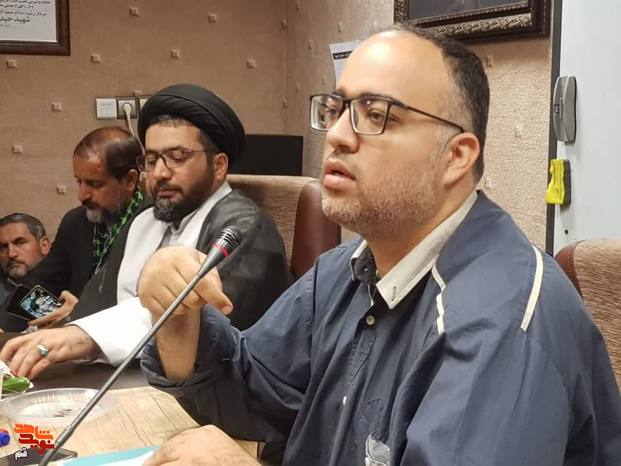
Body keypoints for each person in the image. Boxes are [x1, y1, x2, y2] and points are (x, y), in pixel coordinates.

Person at [137, 26, 621, 466]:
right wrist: (177, 313)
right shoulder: (346, 269)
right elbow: (249, 390)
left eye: (376, 115)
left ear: (456, 156)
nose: (337, 136)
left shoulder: (502, 322)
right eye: (336, 110)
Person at [0, 84, 291, 380]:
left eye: (178, 157)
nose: (160, 173)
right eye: (152, 160)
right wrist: (58, 332)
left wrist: (82, 337)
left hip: (212, 391)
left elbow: (194, 324)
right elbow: (95, 304)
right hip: (125, 378)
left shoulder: (242, 228)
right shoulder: (145, 220)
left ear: (218, 166)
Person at [21, 127, 144, 310]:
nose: (82, 195)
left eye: (95, 184)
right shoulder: (76, 222)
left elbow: (144, 310)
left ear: (129, 180)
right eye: (79, 182)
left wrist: (76, 317)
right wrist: (52, 314)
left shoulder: (153, 224)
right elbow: (36, 287)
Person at [0, 214, 51, 331]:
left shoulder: (69, 281)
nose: (11, 254)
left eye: (20, 243)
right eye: (3, 247)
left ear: (44, 245)